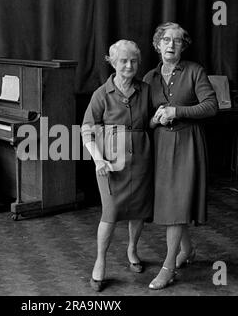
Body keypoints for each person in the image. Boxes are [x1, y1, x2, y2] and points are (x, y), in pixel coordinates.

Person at [143, 22, 218, 289]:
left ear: (183, 46)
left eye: (177, 41)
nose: (171, 45)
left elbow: (211, 106)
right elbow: (145, 120)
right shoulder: (149, 78)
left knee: (176, 205)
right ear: (157, 44)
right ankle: (187, 250)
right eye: (166, 40)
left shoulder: (195, 71)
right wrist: (154, 121)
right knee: (173, 203)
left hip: (188, 144)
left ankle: (168, 266)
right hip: (162, 146)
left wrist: (177, 111)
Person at [82, 40, 154, 292]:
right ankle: (100, 261)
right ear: (112, 63)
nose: (129, 65)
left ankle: (133, 249)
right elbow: (86, 131)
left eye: (133, 61)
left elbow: (153, 121)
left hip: (142, 159)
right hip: (111, 162)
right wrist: (98, 158)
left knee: (138, 210)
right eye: (123, 60)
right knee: (110, 213)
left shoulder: (146, 90)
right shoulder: (102, 94)